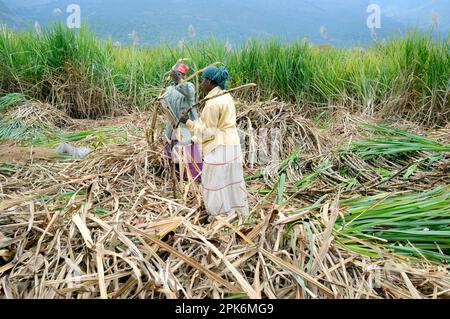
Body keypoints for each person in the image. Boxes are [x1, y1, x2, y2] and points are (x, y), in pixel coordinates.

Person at [180, 66, 249, 219]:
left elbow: (208, 132)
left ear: (210, 82)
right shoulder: (226, 97)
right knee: (231, 181)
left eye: (203, 80)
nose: (201, 83)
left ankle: (217, 216)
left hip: (218, 147)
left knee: (214, 182)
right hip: (232, 144)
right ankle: (236, 213)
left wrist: (188, 123)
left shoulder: (212, 103)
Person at [164, 62, 202, 181]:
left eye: (179, 74)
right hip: (172, 126)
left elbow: (187, 92)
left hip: (187, 127)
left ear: (184, 76)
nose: (176, 76)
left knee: (190, 155)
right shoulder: (169, 89)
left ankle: (194, 178)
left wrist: (179, 80)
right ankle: (176, 176)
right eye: (175, 74)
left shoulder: (189, 86)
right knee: (174, 154)